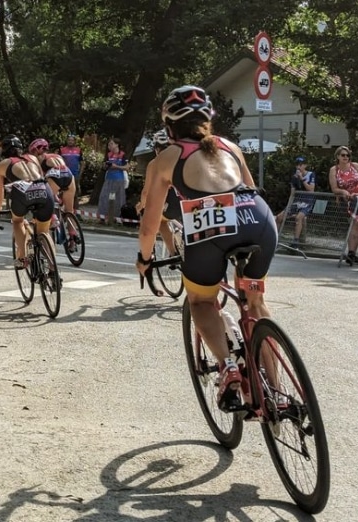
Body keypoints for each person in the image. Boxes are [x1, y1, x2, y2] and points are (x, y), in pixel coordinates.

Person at [136, 85, 277, 410]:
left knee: (200, 302)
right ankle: (276, 395)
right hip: (257, 215)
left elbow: (149, 226)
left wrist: (144, 259)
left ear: (169, 127)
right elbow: (249, 189)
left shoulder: (165, 159)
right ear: (208, 120)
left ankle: (228, 367)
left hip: (211, 221)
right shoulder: (230, 146)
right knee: (255, 303)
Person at [0, 135, 55, 267]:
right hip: (43, 190)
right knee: (44, 232)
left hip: (23, 193)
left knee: (17, 221)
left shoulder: (0, 166)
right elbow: (40, 176)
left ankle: (22, 257)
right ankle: (52, 267)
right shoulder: (32, 158)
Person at [135, 129, 182, 255]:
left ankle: (172, 254)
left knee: (161, 222)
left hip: (170, 204)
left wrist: (141, 205)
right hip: (187, 202)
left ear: (156, 149)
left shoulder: (154, 163)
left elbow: (146, 192)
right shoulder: (182, 161)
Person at [329, 145, 358, 265]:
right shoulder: (334, 170)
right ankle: (352, 253)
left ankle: (352, 253)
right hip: (346, 201)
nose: (345, 157)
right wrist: (343, 192)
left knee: (357, 225)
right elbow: (334, 188)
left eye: (347, 155)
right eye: (343, 155)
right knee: (352, 226)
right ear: (337, 156)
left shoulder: (355, 166)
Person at [274, 156, 316, 249]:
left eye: (301, 165)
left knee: (299, 218)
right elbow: (292, 193)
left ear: (305, 165)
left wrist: (302, 179)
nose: (298, 167)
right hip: (296, 202)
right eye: (297, 165)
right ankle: (275, 239)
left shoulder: (311, 174)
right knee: (279, 217)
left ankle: (295, 241)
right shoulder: (294, 177)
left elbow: (311, 189)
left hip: (307, 202)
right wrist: (288, 206)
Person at [28, 138, 77, 215]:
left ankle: (53, 220)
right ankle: (73, 226)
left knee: (44, 206)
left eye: (32, 152)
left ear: (36, 150)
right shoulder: (57, 155)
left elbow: (38, 178)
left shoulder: (39, 159)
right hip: (69, 176)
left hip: (55, 177)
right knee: (69, 211)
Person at [97, 137, 129, 224]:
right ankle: (102, 217)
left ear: (117, 145)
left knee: (119, 199)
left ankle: (118, 218)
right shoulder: (108, 154)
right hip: (108, 178)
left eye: (111, 144)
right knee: (104, 197)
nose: (109, 146)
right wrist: (105, 166)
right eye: (109, 144)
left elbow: (127, 167)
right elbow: (105, 165)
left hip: (119, 179)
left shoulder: (122, 154)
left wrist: (116, 166)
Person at [60, 134, 84, 209]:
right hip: (64, 175)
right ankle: (63, 211)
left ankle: (76, 212)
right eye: (69, 140)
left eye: (72, 140)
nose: (70, 142)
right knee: (62, 193)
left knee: (75, 194)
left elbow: (82, 163)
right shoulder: (62, 150)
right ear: (67, 141)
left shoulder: (78, 150)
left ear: (74, 141)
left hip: (75, 175)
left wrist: (80, 174)